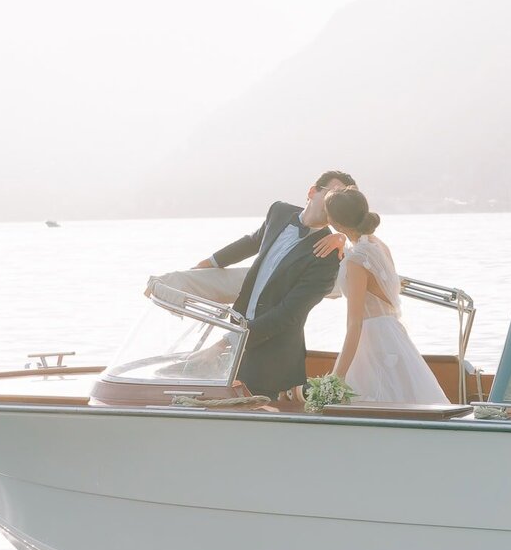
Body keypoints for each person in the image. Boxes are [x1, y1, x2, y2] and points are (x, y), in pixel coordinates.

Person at [159, 170, 357, 400]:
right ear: (312, 192)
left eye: (340, 199)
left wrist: (226, 343)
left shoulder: (329, 254)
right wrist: (208, 263)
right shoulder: (279, 211)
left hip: (273, 361)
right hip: (235, 341)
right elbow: (252, 241)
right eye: (332, 194)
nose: (334, 203)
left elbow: (288, 314)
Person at [324, 189, 445, 404]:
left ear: (335, 223)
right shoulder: (378, 245)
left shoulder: (355, 261)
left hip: (371, 341)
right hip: (392, 333)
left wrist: (336, 377)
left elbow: (355, 324)